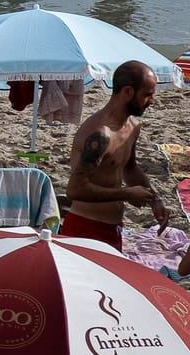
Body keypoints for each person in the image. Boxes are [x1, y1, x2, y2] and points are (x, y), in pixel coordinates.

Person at [61, 60, 168, 253]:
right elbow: (75, 190)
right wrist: (127, 194)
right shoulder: (100, 135)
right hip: (85, 228)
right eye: (148, 95)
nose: (153, 101)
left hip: (113, 229)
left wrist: (155, 200)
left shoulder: (133, 126)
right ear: (127, 92)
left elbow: (129, 168)